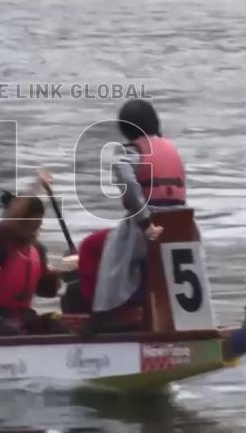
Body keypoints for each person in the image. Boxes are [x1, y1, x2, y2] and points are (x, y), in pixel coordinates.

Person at [65, 99, 170, 331]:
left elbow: (129, 184)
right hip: (178, 225)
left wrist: (145, 222)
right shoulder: (170, 149)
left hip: (149, 229)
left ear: (125, 129)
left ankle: (100, 313)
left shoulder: (131, 153)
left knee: (90, 246)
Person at [0, 170, 65, 335]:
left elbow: (45, 292)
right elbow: (10, 219)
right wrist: (36, 186)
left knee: (59, 323)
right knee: (8, 329)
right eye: (29, 226)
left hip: (24, 317)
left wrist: (59, 275)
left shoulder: (38, 249)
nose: (34, 232)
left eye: (37, 226)